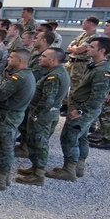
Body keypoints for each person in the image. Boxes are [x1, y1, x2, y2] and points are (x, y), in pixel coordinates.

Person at [49, 37, 110, 182]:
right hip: (82, 107)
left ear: (102, 50)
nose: (87, 49)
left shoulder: (103, 71)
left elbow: (97, 97)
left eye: (91, 47)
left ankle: (68, 170)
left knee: (69, 137)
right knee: (82, 136)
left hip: (84, 109)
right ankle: (78, 166)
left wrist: (80, 111)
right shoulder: (96, 66)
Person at [0, 48, 35, 190]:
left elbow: (1, 94)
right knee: (6, 146)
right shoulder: (26, 75)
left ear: (20, 60)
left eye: (11, 57)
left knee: (5, 147)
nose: (8, 59)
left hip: (8, 115)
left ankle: (1, 179)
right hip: (13, 114)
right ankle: (3, 176)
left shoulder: (18, 78)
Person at [17, 48, 70, 185]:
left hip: (43, 116)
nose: (40, 58)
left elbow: (47, 99)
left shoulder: (54, 76)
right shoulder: (57, 73)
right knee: (35, 142)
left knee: (39, 143)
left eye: (44, 56)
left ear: (53, 60)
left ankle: (38, 175)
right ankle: (35, 168)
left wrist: (36, 114)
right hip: (47, 114)